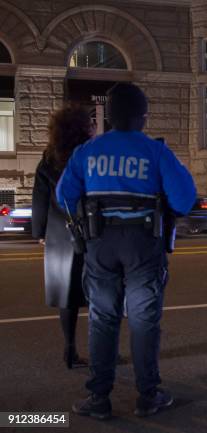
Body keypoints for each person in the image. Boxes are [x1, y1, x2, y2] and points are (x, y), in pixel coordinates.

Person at [56, 83, 196, 420]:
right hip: (143, 245)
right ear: (143, 118)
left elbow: (64, 197)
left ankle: (99, 397)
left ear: (109, 117)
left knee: (103, 320)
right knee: (144, 321)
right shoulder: (156, 152)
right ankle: (148, 395)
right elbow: (183, 200)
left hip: (100, 244)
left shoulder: (88, 152)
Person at [31, 106, 94, 370]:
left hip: (58, 232)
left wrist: (40, 233)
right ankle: (101, 349)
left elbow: (40, 200)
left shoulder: (48, 159)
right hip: (88, 230)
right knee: (97, 293)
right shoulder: (88, 156)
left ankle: (69, 351)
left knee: (67, 298)